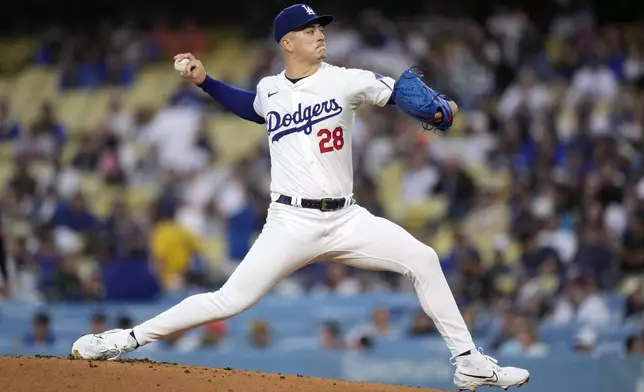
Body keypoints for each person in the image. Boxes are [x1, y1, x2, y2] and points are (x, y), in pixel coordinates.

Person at [71, 4, 529, 391]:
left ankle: (468, 361)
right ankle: (123, 341)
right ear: (286, 43)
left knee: (424, 259)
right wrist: (205, 81)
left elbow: (399, 94)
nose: (319, 35)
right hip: (290, 223)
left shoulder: (346, 79)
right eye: (309, 30)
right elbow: (251, 106)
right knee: (229, 300)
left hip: (347, 218)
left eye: (320, 29)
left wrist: (441, 107)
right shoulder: (272, 89)